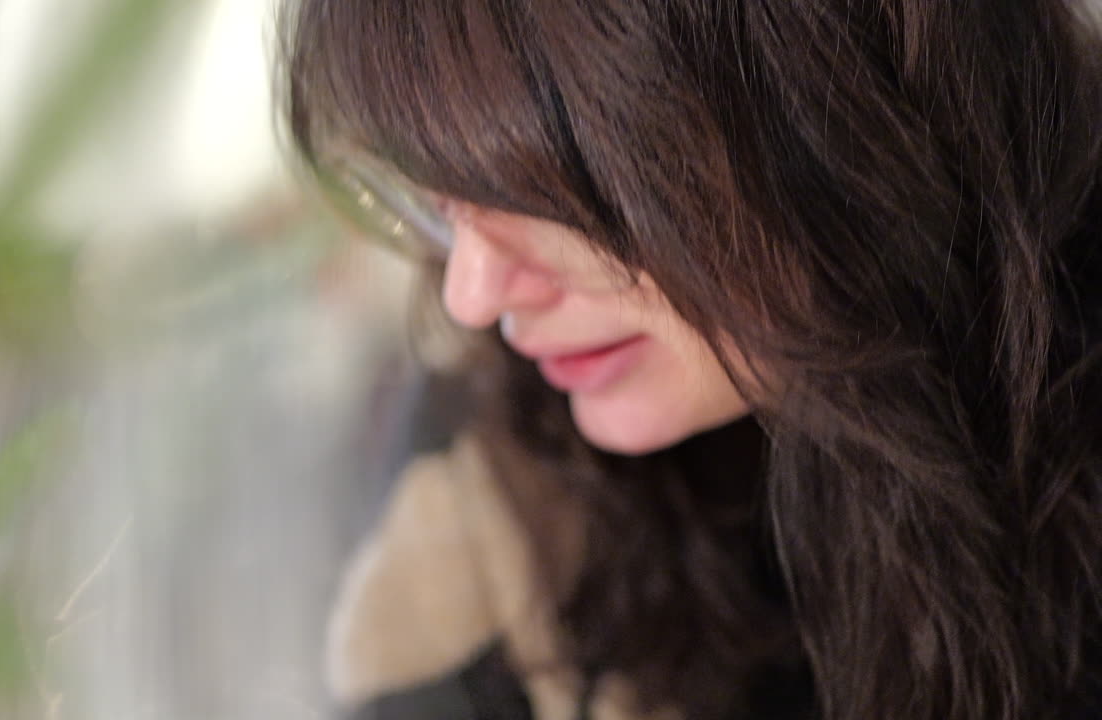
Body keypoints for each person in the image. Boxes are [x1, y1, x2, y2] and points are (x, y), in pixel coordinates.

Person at [277, 1, 1102, 718]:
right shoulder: (485, 506)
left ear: (835, 87)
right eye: (439, 200)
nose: (474, 295)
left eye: (546, 187)